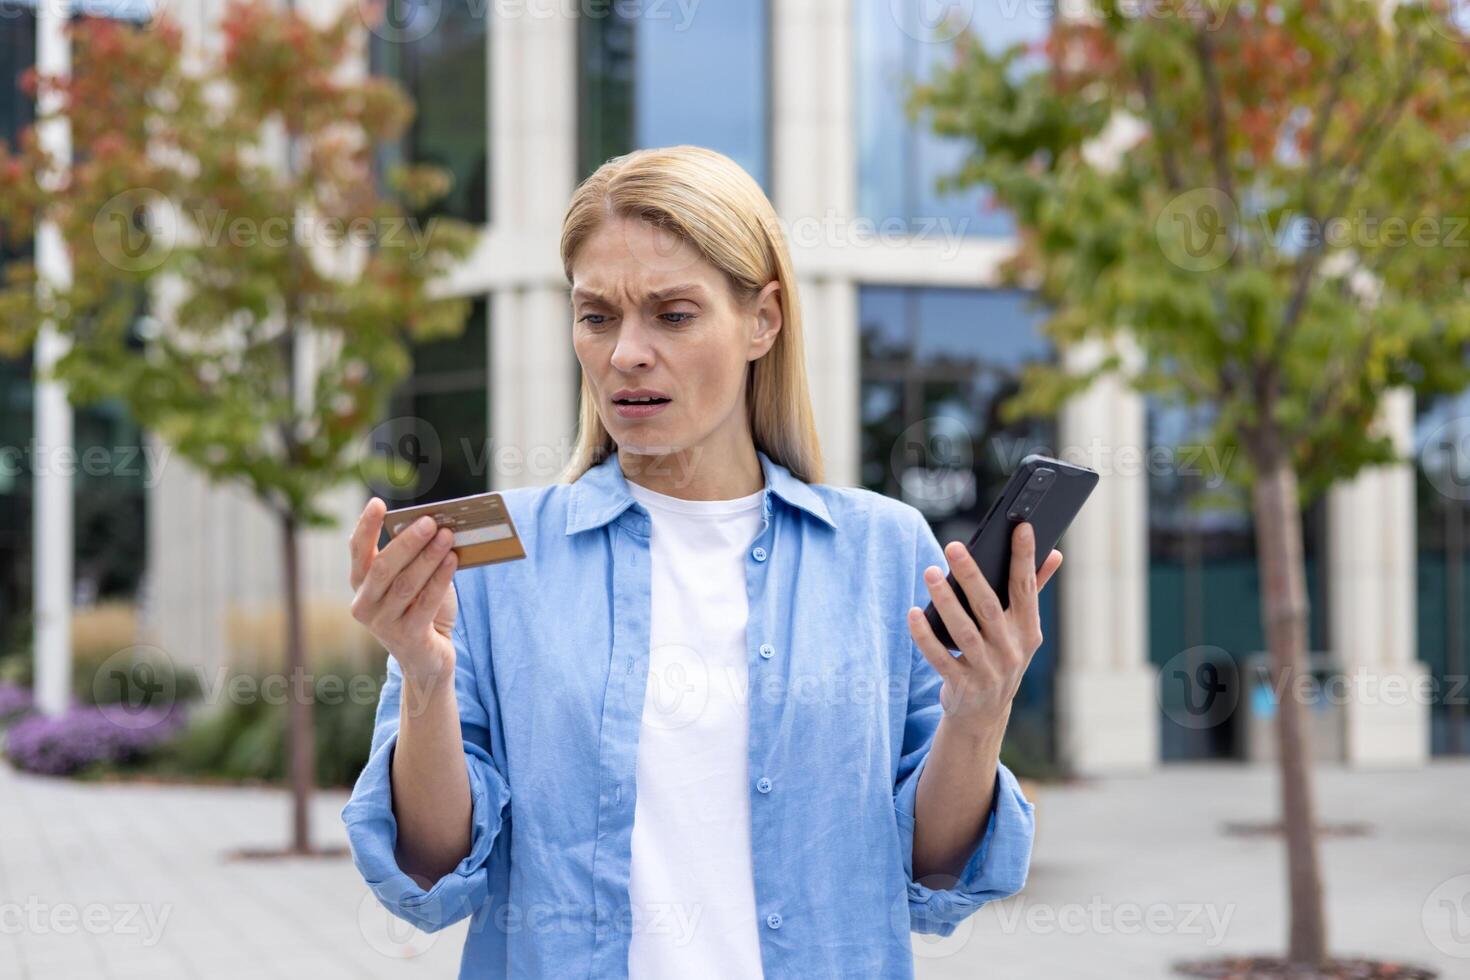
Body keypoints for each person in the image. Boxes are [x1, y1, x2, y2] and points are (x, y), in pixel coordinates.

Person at [341, 144, 1061, 979]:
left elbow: (936, 873)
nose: (626, 355)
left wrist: (980, 711)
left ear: (763, 320)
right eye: (597, 316)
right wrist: (424, 682)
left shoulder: (884, 551)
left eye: (673, 315)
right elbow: (430, 871)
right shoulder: (495, 557)